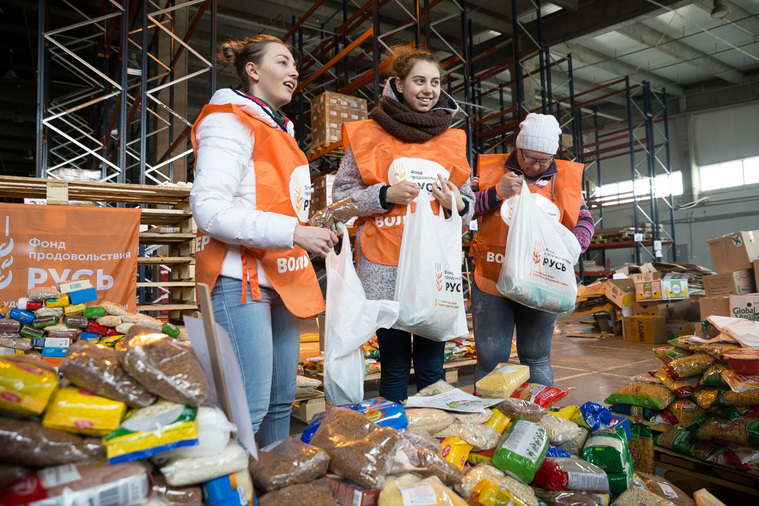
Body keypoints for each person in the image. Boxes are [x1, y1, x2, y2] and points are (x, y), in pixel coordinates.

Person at [190, 35, 338, 447]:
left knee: (278, 404)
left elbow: (277, 202)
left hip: (283, 278)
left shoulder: (280, 130)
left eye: (295, 65)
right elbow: (210, 209)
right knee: (248, 408)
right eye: (283, 62)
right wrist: (293, 232)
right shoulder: (228, 120)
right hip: (242, 279)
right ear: (252, 71)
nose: (294, 71)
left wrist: (317, 228)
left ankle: (272, 486)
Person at [332, 46, 475, 403]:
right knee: (394, 367)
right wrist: (383, 196)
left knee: (432, 369)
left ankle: (431, 448)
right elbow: (342, 198)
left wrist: (457, 202)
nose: (429, 89)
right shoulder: (368, 135)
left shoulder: (451, 140)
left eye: (435, 82)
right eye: (419, 81)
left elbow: (469, 203)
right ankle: (394, 447)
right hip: (385, 268)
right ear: (398, 84)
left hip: (434, 272)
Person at [470, 113, 594, 387]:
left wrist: (575, 245)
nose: (536, 166)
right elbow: (464, 209)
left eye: (544, 160)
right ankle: (487, 423)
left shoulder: (565, 180)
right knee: (491, 359)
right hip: (492, 277)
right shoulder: (490, 172)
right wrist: (497, 192)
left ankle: (540, 422)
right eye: (530, 158)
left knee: (536, 357)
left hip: (543, 280)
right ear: (518, 148)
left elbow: (584, 218)